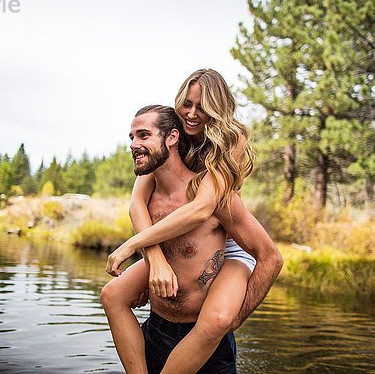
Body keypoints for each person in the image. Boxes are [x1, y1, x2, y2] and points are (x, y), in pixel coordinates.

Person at [101, 102, 283, 372]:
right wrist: (154, 263)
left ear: (172, 137)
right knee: (112, 294)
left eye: (143, 135)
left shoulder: (215, 192)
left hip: (208, 341)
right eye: (132, 137)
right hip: (157, 331)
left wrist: (238, 316)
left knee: (219, 319)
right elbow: (135, 206)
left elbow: (271, 258)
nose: (133, 144)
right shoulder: (148, 188)